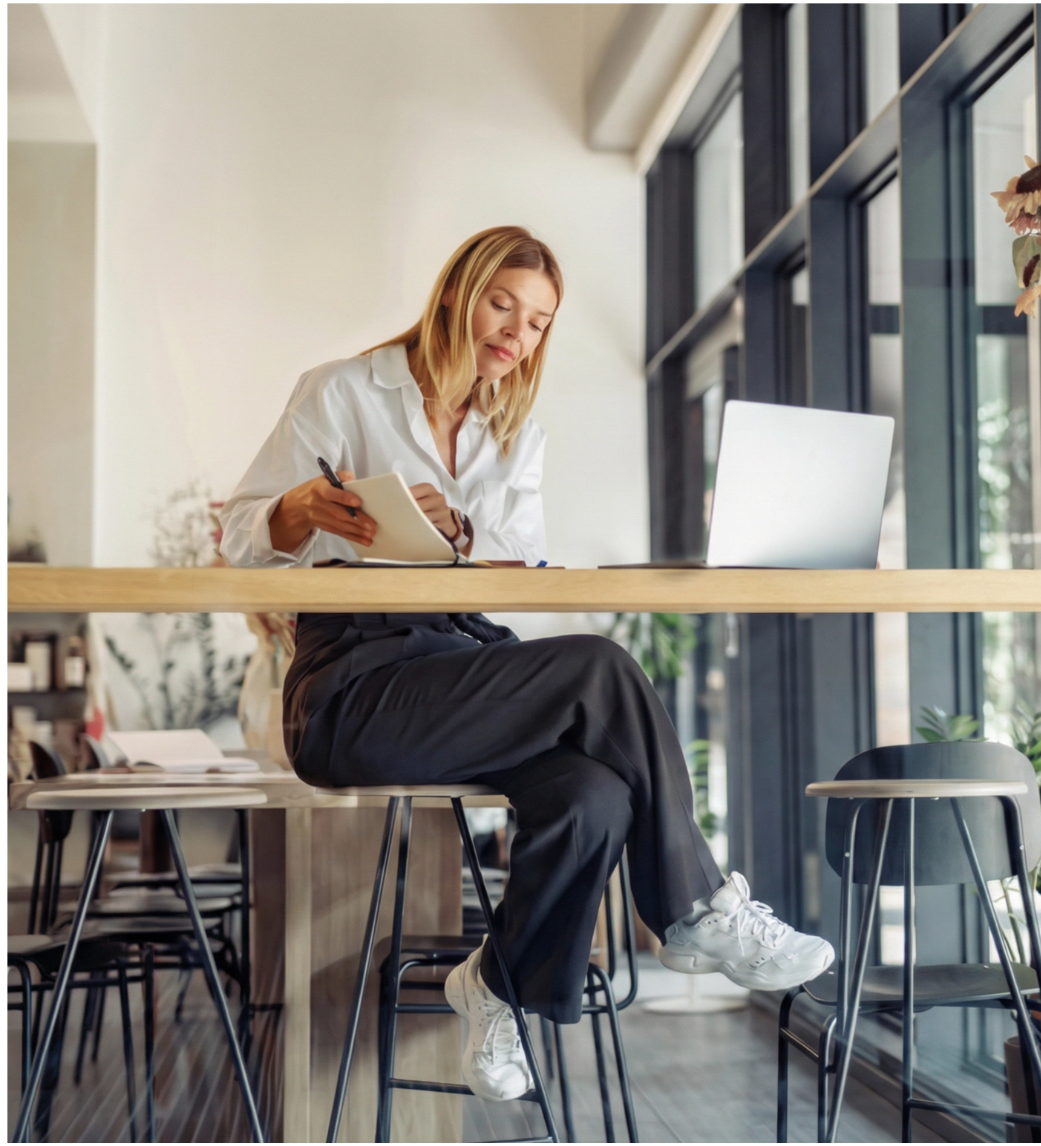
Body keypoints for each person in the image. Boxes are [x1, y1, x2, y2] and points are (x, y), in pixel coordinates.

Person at [219, 226, 833, 1101]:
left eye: (539, 321)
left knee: (596, 797)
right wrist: (298, 509)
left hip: (456, 667)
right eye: (502, 303)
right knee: (599, 666)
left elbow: (523, 562)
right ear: (457, 294)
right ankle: (699, 907)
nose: (516, 331)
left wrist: (463, 533)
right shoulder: (343, 390)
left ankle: (494, 985)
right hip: (352, 690)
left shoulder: (515, 433)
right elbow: (243, 539)